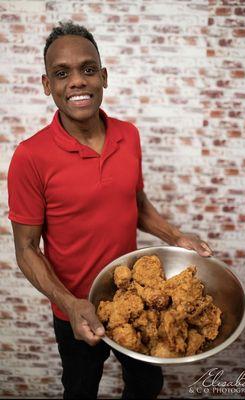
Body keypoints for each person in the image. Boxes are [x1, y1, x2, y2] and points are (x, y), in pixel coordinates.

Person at [8, 21, 212, 400]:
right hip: (76, 311)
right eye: (61, 73)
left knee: (146, 385)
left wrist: (177, 238)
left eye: (87, 70)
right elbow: (25, 249)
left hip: (136, 298)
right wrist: (69, 302)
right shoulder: (30, 156)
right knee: (81, 389)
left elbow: (136, 205)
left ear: (103, 77)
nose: (77, 82)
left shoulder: (128, 134)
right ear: (46, 85)